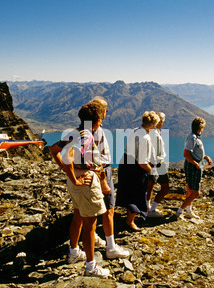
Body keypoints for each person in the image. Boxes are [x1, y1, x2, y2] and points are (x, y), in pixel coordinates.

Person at [49, 101, 110, 277]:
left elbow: (54, 150)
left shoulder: (74, 132)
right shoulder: (88, 136)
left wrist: (70, 176)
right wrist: (76, 178)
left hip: (75, 180)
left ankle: (74, 252)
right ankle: (91, 266)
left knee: (78, 217)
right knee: (90, 225)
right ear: (97, 121)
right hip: (86, 181)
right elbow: (68, 156)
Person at [91, 97, 131, 259]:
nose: (107, 113)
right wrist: (103, 182)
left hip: (95, 173)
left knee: (91, 209)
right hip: (102, 172)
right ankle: (111, 247)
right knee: (109, 209)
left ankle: (93, 237)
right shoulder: (97, 131)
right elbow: (96, 160)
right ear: (101, 113)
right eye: (105, 110)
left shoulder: (85, 130)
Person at [116, 111, 161, 231]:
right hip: (135, 168)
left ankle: (129, 217)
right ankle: (129, 221)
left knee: (128, 191)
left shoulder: (135, 130)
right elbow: (142, 162)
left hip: (125, 162)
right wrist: (152, 171)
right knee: (136, 193)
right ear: (152, 126)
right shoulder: (145, 137)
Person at [176, 116, 213, 219]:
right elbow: (186, 154)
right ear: (200, 128)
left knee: (189, 190)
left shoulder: (196, 136)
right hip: (193, 167)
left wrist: (205, 157)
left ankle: (189, 211)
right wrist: (195, 163)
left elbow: (195, 152)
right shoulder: (192, 137)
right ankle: (180, 211)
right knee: (196, 193)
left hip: (196, 165)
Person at [146, 112, 170, 218]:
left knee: (150, 185)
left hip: (152, 163)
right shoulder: (155, 134)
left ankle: (147, 206)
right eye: (163, 120)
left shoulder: (152, 131)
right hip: (157, 164)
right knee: (165, 188)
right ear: (160, 121)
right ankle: (152, 209)